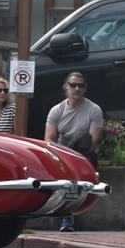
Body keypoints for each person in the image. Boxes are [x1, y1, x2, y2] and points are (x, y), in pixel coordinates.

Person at [44, 71, 104, 233]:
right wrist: (63, 154)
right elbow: (48, 139)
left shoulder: (94, 110)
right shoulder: (56, 110)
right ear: (66, 87)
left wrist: (74, 156)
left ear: (85, 88)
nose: (77, 89)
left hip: (83, 153)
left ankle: (67, 214)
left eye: (80, 86)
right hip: (60, 151)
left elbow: (93, 142)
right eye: (73, 85)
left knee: (75, 172)